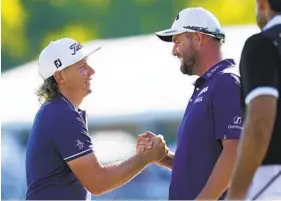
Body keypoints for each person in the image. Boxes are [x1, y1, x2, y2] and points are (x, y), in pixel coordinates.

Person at [25, 38, 168, 200]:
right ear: (60, 77)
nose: (91, 71)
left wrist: (144, 157)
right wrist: (146, 157)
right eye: (82, 66)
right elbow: (98, 182)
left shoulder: (59, 110)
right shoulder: (61, 113)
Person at [137, 7, 244, 200]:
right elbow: (202, 164)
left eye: (177, 41)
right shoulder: (208, 85)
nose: (173, 51)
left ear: (198, 38)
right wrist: (163, 156)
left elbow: (234, 153)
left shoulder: (225, 82)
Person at [226, 0, 281, 200]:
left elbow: (260, 123)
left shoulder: (261, 44)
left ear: (262, 3)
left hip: (271, 180)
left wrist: (237, 192)